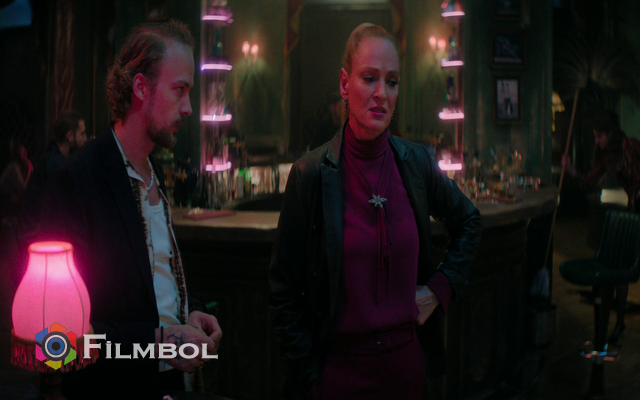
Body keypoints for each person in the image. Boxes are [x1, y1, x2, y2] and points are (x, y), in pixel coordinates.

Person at [269, 23, 482, 399]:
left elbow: (469, 220)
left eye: (392, 81)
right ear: (344, 83)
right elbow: (283, 291)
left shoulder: (415, 162)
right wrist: (311, 379)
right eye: (369, 78)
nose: (382, 93)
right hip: (339, 375)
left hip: (407, 368)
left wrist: (439, 288)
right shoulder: (311, 174)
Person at [35, 20, 222, 398]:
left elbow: (148, 292)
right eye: (179, 90)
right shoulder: (77, 180)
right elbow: (55, 342)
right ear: (140, 88)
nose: (189, 108)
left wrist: (189, 312)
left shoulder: (153, 173)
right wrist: (158, 343)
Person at [561, 110, 640, 358]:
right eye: (595, 136)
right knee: (623, 268)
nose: (596, 140)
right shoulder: (606, 156)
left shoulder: (629, 144)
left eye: (599, 136)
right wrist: (570, 169)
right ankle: (619, 323)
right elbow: (589, 181)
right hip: (635, 207)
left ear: (610, 134)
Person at [17, 109, 86, 242]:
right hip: (35, 237)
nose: (85, 138)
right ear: (70, 136)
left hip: (37, 232)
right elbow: (67, 204)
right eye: (82, 134)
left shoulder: (54, 156)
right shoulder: (55, 163)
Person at [0, 140, 33, 218]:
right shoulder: (14, 168)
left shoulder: (18, 167)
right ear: (17, 155)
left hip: (8, 198)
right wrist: (29, 171)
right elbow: (24, 189)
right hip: (4, 200)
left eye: (25, 152)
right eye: (22, 152)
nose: (25, 154)